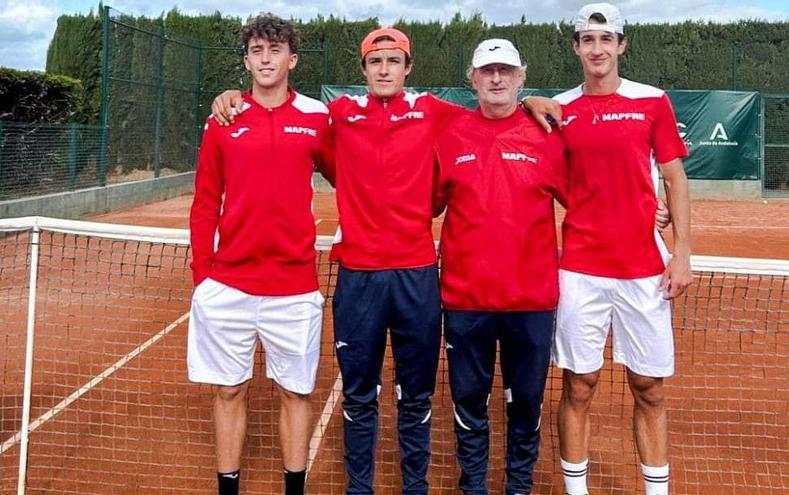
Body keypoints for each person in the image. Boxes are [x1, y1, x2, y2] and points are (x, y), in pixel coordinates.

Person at [210, 27, 562, 495]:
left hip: (417, 277)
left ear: (407, 68)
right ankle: (361, 488)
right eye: (375, 62)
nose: (384, 70)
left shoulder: (433, 112)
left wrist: (533, 100)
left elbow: (493, 109)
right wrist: (232, 95)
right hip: (358, 276)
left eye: (393, 61)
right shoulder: (336, 115)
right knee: (360, 397)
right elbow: (277, 104)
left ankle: (412, 487)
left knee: (415, 398)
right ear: (363, 70)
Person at [551, 4, 693, 495]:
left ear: (621, 45)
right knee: (579, 385)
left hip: (643, 270)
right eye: (587, 39)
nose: (597, 48)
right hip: (581, 270)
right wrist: (531, 101)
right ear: (576, 47)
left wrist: (682, 254)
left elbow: (674, 177)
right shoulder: (560, 108)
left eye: (606, 39)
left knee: (649, 389)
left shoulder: (653, 102)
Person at [187, 13, 328, 495]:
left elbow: (351, 179)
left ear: (292, 58)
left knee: (295, 392)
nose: (265, 59)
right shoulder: (223, 118)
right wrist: (202, 275)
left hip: (294, 288)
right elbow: (205, 201)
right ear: (247, 59)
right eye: (256, 51)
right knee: (228, 390)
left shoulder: (316, 118)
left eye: (274, 50)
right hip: (228, 286)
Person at [433, 39, 567, 495]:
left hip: (530, 302)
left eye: (505, 71)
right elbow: (426, 203)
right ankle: (473, 486)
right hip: (465, 301)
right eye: (487, 71)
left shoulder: (547, 136)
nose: (496, 79)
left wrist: (647, 209)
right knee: (468, 403)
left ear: (521, 77)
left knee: (526, 404)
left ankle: (519, 486)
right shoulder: (449, 134)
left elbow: (589, 200)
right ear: (472, 78)